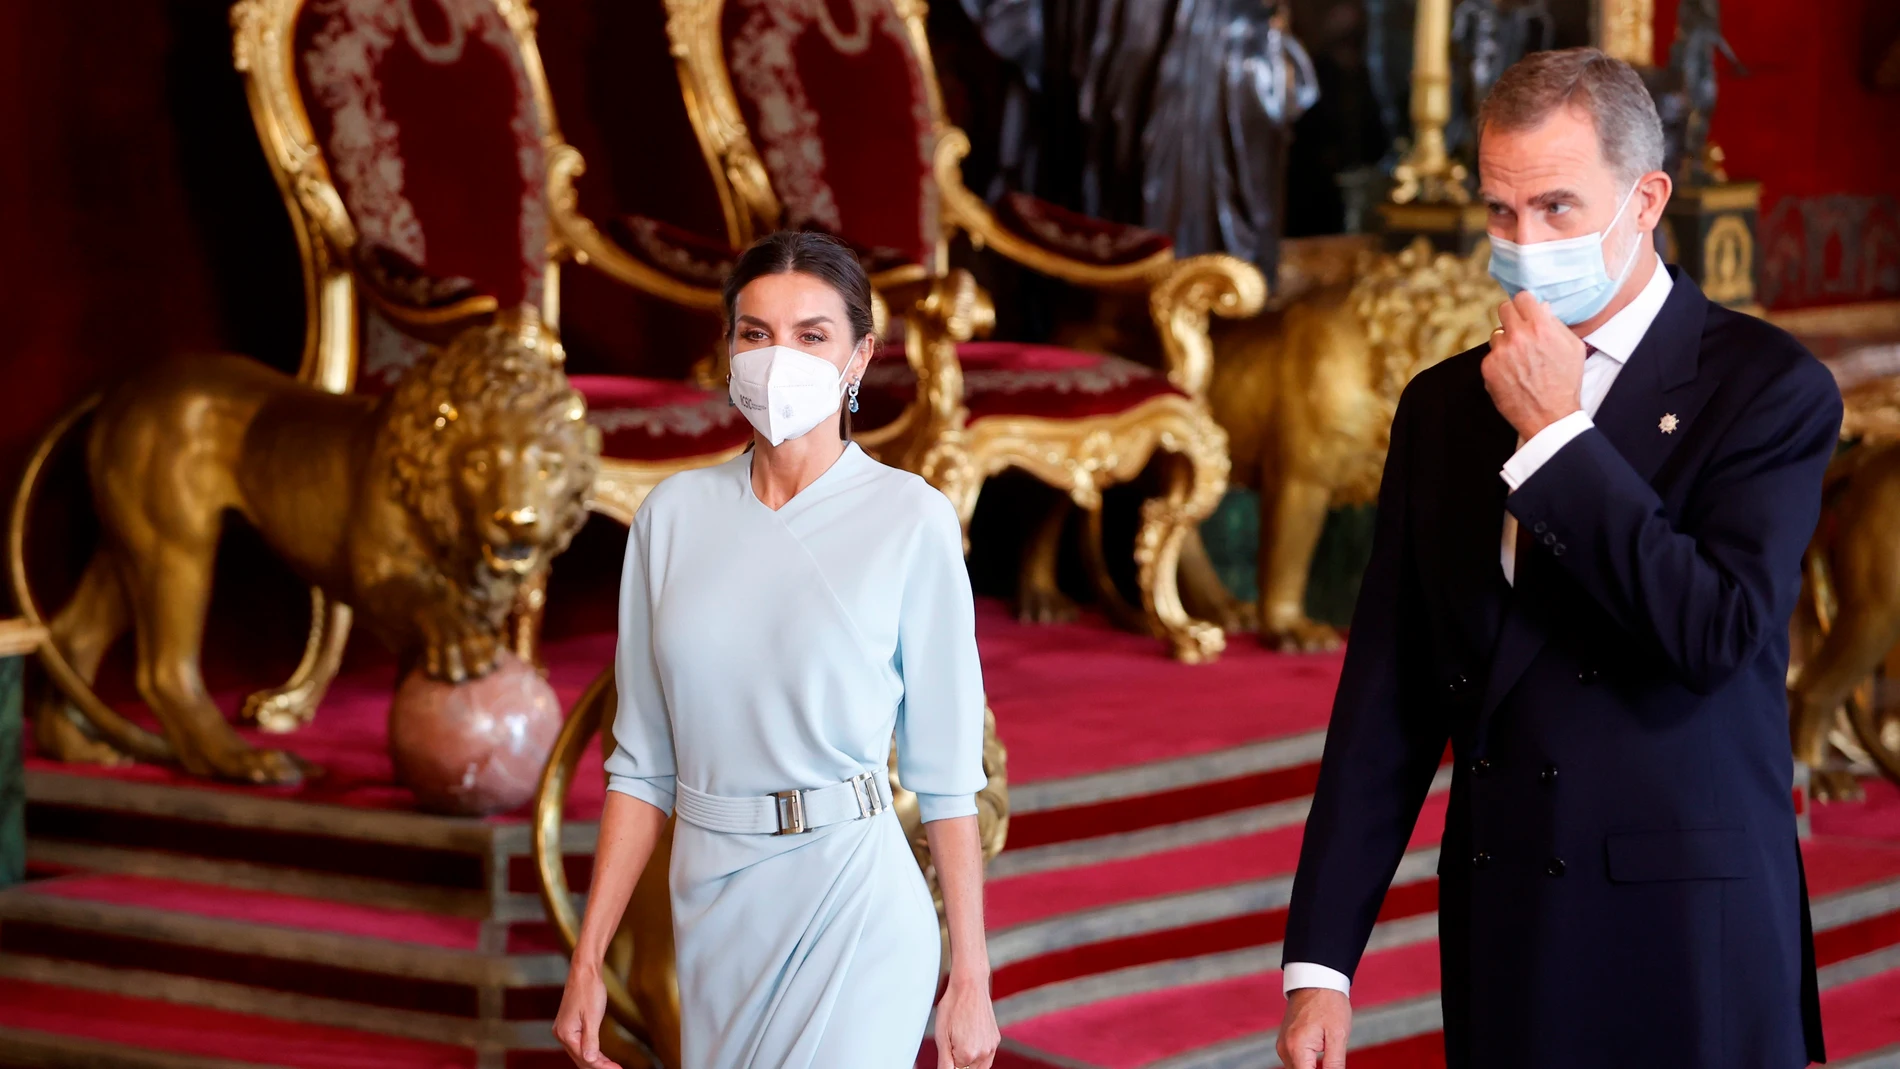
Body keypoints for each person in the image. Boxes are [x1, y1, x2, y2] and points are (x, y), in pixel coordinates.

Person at [1276, 48, 1838, 1069]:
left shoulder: (1767, 389)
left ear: (1645, 198)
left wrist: (1552, 434)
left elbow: (1709, 631)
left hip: (1686, 938)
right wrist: (1322, 962)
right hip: (1507, 924)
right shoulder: (1444, 405)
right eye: (1500, 211)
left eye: (1557, 208)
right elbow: (1388, 696)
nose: (1523, 243)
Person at [552, 231, 1000, 1069]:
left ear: (860, 356)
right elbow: (641, 763)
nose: (776, 357)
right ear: (727, 349)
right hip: (714, 905)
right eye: (755, 334)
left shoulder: (912, 518)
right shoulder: (671, 517)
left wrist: (969, 975)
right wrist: (587, 960)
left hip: (856, 897)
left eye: (810, 335)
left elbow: (947, 773)